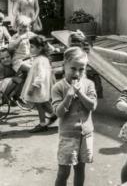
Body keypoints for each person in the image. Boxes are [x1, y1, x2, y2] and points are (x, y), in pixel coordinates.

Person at [52, 47, 97, 186]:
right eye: (73, 68)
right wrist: (69, 96)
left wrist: (80, 93)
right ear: (64, 65)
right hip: (68, 136)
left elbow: (92, 106)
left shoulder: (89, 84)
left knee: (80, 169)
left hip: (86, 135)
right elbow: (58, 113)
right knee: (63, 172)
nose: (77, 73)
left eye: (81, 69)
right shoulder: (58, 87)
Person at [20, 35, 57, 133]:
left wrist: (33, 86)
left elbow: (41, 75)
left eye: (32, 47)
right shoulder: (40, 58)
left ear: (40, 48)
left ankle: (42, 124)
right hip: (41, 86)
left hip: (39, 87)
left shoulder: (40, 60)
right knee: (44, 103)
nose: (30, 49)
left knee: (39, 105)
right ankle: (54, 115)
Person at [68, 30, 103, 98]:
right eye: (74, 42)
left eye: (78, 42)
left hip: (86, 71)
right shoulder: (72, 50)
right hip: (78, 72)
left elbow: (87, 54)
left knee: (90, 88)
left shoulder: (85, 47)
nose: (75, 44)